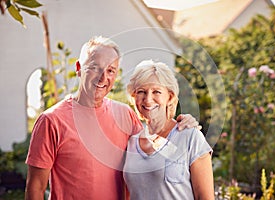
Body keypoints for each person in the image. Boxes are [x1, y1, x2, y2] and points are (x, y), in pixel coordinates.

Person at [25, 36, 199, 200]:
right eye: (94, 67)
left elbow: (157, 151)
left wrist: (181, 125)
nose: (103, 77)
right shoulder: (51, 121)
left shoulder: (125, 115)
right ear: (79, 68)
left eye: (110, 70)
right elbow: (35, 187)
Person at [124, 60, 214, 200]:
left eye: (156, 92)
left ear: (170, 97)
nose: (148, 100)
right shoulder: (130, 142)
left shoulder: (190, 137)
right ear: (134, 97)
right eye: (141, 92)